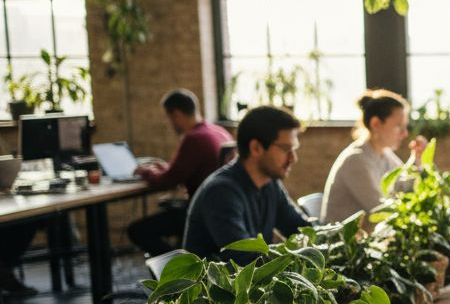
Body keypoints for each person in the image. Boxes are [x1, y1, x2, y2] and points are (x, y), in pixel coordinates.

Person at [183, 106, 309, 263]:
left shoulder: (270, 184)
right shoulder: (221, 192)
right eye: (286, 149)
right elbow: (246, 259)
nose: (293, 158)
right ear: (256, 148)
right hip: (216, 279)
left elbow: (301, 229)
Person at [127, 89, 235, 256]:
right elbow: (182, 170)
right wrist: (165, 168)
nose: (169, 124)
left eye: (169, 118)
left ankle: (176, 264)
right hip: (223, 209)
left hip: (201, 213)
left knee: (137, 230)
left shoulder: (194, 138)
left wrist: (146, 172)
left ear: (176, 114)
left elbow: (167, 181)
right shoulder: (218, 131)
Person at [320, 89, 427, 223]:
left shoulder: (385, 154)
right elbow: (381, 210)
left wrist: (417, 159)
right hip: (342, 236)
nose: (405, 133)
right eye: (398, 126)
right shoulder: (356, 160)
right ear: (375, 124)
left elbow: (402, 186)